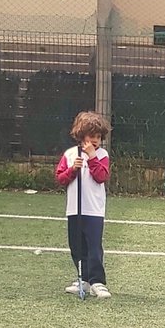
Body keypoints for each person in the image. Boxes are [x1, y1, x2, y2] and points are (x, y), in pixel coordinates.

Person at [54, 110, 112, 299]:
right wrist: (73, 170)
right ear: (81, 136)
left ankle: (98, 282)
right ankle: (84, 279)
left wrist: (92, 157)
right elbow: (61, 178)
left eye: (98, 137)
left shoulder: (102, 155)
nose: (95, 140)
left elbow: (101, 176)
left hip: (94, 210)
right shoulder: (70, 155)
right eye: (91, 136)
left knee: (94, 246)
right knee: (77, 246)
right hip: (74, 209)